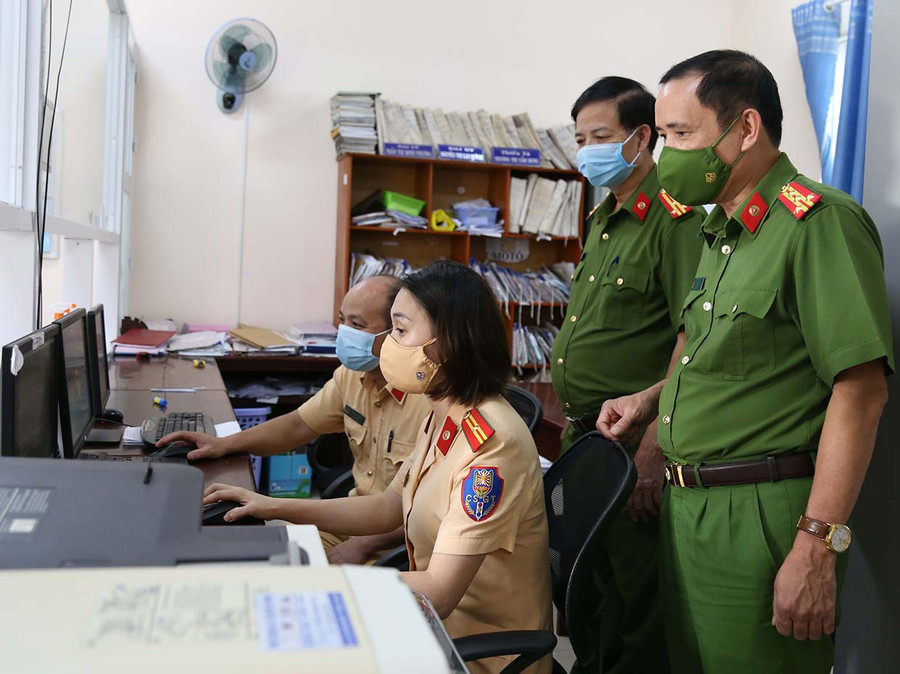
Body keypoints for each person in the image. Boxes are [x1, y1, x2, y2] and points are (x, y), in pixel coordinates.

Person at [598, 50, 893, 673]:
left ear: (746, 129)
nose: (664, 153)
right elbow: (708, 353)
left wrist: (816, 545)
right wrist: (651, 402)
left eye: (681, 134)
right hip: (688, 512)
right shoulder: (721, 231)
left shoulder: (817, 224)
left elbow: (860, 391)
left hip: (759, 517)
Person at [203, 260, 553, 674]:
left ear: (450, 344)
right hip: (431, 627)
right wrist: (270, 505)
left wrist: (314, 590)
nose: (387, 344)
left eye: (401, 331)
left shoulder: (492, 446)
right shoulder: (445, 413)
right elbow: (389, 506)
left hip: (478, 652)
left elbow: (439, 592)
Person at [550, 76, 704, 673]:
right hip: (585, 435)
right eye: (580, 136)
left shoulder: (674, 218)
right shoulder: (604, 215)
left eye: (600, 136)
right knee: (586, 593)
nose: (586, 149)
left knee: (634, 604)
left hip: (635, 441)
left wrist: (653, 451)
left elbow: (693, 338)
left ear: (642, 138)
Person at [159, 274, 432, 564]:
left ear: (396, 332)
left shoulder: (428, 401)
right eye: (342, 321)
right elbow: (299, 424)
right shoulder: (351, 376)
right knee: (245, 548)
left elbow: (425, 512)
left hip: (397, 544)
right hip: (347, 523)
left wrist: (364, 546)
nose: (345, 333)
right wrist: (224, 444)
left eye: (357, 325)